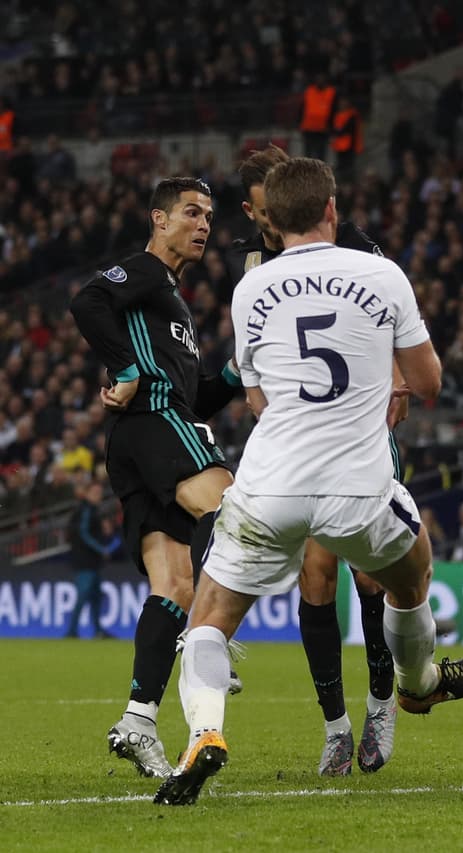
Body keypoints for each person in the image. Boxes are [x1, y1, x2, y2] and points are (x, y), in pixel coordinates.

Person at [154, 158, 463, 806]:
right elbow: (427, 383)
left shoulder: (251, 290)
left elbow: (255, 394)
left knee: (210, 617)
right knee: (410, 573)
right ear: (333, 210)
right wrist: (388, 380)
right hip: (358, 485)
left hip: (270, 482)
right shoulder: (382, 276)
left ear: (271, 222)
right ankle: (420, 680)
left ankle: (205, 731)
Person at [228, 145, 422, 777]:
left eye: (270, 209)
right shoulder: (254, 262)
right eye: (258, 213)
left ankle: (382, 704)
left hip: (359, 432)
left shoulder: (357, 249)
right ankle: (336, 727)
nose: (266, 221)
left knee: (370, 577)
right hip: (298, 444)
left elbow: (384, 327)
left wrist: (395, 381)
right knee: (315, 575)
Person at [69, 177, 241, 778]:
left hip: (147, 434)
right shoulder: (144, 273)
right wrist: (125, 366)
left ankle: (138, 720)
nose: (203, 225)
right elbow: (86, 300)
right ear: (158, 219)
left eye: (209, 216)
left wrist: (239, 371)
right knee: (240, 515)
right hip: (156, 421)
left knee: (173, 585)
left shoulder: (172, 303)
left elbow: (199, 398)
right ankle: (212, 639)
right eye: (191, 213)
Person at [65, 481, 119, 638]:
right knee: (83, 595)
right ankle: (72, 631)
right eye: (95, 492)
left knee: (95, 596)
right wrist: (101, 548)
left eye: (99, 493)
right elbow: (84, 533)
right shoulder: (86, 509)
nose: (98, 496)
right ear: (87, 493)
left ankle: (97, 630)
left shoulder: (91, 510)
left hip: (93, 561)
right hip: (84, 560)